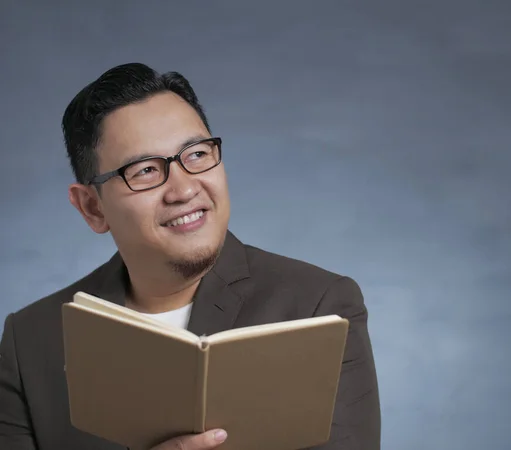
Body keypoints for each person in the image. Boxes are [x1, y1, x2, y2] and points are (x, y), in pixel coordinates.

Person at [0, 63, 381, 450]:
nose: (183, 189)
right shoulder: (32, 339)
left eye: (196, 154)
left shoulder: (319, 308)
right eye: (145, 170)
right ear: (92, 208)